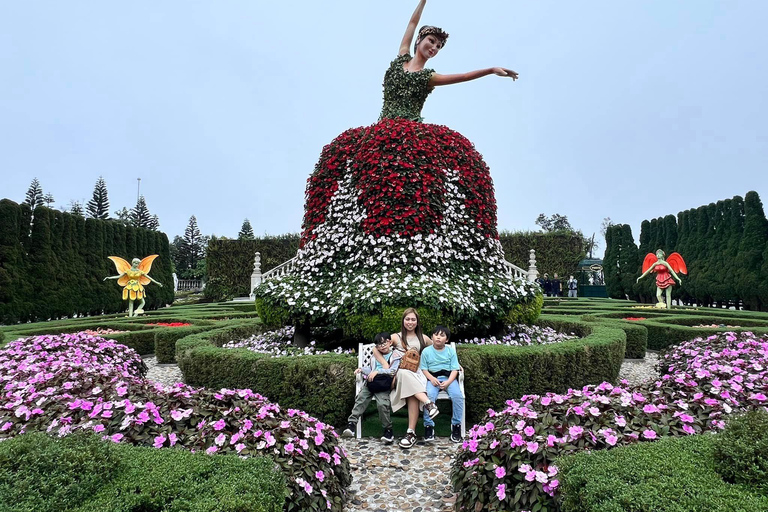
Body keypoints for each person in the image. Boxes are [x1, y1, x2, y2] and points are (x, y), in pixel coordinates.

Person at [374, 308, 439, 449]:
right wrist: (385, 363)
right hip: (399, 376)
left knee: (412, 392)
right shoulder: (396, 337)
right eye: (407, 319)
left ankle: (411, 433)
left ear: (417, 322)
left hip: (417, 375)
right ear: (403, 321)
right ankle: (428, 403)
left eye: (413, 319)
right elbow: (375, 348)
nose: (410, 322)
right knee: (403, 373)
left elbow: (440, 347)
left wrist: (457, 365)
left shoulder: (424, 338)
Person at [343, 333, 402, 443]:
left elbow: (393, 371)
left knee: (382, 404)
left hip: (384, 384)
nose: (382, 346)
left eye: (384, 343)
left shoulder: (395, 355)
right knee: (361, 398)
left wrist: (378, 372)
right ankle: (351, 424)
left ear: (390, 342)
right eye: (379, 345)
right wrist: (361, 369)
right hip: (371, 383)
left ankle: (388, 430)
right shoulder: (375, 356)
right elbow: (371, 369)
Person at [421, 325, 464, 443]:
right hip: (432, 379)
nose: (438, 338)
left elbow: (455, 369)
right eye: (436, 335)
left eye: (442, 335)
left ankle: (456, 426)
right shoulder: (426, 351)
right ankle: (428, 426)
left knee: (458, 396)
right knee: (429, 398)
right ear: (432, 337)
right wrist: (431, 378)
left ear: (447, 339)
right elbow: (423, 369)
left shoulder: (450, 351)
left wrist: (449, 382)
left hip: (448, 378)